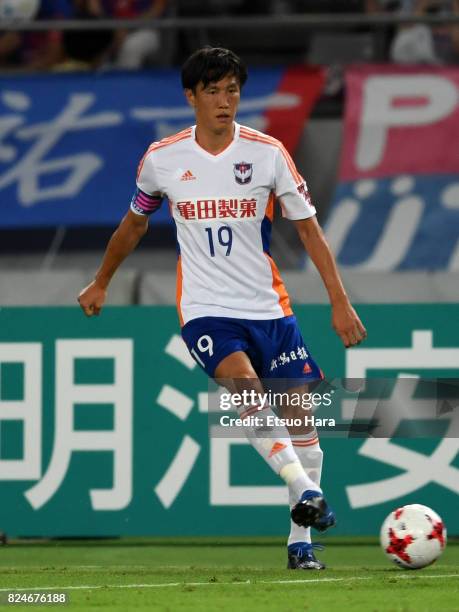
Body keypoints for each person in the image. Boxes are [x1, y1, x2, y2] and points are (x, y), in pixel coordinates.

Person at [78, 46, 367, 570]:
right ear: (191, 97)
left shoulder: (267, 153)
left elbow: (308, 229)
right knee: (245, 389)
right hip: (206, 308)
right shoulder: (163, 159)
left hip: (269, 308)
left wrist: (339, 301)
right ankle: (304, 487)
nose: (224, 100)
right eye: (213, 91)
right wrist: (100, 281)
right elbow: (134, 225)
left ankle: (299, 543)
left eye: (232, 90)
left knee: (303, 423)